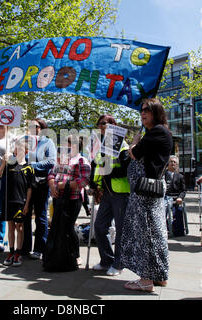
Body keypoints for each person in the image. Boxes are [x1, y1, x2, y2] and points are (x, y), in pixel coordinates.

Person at [121, 98, 173, 292]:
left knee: (146, 233)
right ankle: (159, 275)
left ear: (157, 112)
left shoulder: (158, 131)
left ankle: (146, 279)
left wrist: (133, 144)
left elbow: (134, 153)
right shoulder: (158, 132)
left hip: (146, 192)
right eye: (142, 110)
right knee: (155, 232)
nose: (143, 113)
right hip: (148, 190)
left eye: (147, 110)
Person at [89, 114, 130, 277]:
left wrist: (107, 171)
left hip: (121, 191)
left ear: (113, 125)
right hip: (106, 191)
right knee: (99, 226)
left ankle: (119, 263)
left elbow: (126, 168)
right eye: (99, 124)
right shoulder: (101, 146)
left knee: (120, 229)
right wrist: (94, 183)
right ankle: (107, 259)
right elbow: (96, 166)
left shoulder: (123, 145)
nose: (101, 126)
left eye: (104, 123)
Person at [44, 136, 91, 271]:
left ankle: (75, 255)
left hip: (73, 199)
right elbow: (51, 174)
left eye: (69, 144)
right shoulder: (62, 159)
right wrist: (53, 186)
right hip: (58, 197)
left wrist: (62, 185)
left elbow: (83, 181)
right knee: (58, 227)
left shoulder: (82, 160)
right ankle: (59, 254)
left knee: (69, 227)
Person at [22, 118, 57, 260]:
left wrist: (33, 166)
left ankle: (40, 249)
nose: (31, 128)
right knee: (24, 214)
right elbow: (17, 156)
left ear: (41, 128)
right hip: (25, 182)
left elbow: (51, 161)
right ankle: (24, 247)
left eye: (34, 126)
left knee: (41, 216)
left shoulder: (48, 142)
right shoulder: (25, 141)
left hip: (41, 182)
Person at [0, 137, 34, 267]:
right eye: (16, 149)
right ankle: (11, 252)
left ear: (27, 151)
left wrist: (27, 204)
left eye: (21, 149)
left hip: (21, 201)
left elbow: (30, 188)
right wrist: (3, 163)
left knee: (20, 227)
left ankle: (19, 252)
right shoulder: (10, 165)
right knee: (11, 227)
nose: (18, 151)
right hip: (8, 201)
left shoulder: (29, 168)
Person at [164, 155, 186, 236]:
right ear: (168, 163)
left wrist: (180, 197)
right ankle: (164, 229)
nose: (173, 163)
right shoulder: (163, 175)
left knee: (178, 210)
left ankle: (177, 230)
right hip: (165, 197)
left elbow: (183, 190)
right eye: (171, 161)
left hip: (176, 198)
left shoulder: (180, 176)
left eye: (175, 162)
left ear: (177, 165)